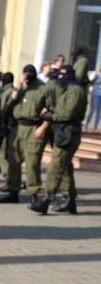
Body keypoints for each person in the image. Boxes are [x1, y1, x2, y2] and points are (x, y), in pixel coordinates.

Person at [33, 65, 87, 215]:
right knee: (65, 167)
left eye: (63, 75)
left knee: (55, 166)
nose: (60, 78)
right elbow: (60, 109)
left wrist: (51, 116)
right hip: (63, 131)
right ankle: (70, 200)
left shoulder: (75, 90)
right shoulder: (67, 89)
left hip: (69, 132)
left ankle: (46, 200)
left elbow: (67, 113)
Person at [0, 64, 49, 207]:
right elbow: (8, 106)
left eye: (29, 74)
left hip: (33, 127)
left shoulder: (42, 88)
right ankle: (13, 191)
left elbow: (50, 110)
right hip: (17, 127)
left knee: (32, 162)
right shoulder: (21, 88)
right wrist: (18, 88)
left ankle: (34, 194)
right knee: (14, 161)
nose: (27, 76)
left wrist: (43, 127)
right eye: (25, 73)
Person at [0, 71, 16, 192]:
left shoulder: (6, 92)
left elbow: (2, 109)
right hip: (11, 126)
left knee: (2, 153)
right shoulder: (12, 91)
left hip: (6, 126)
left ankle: (8, 179)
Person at [84, 64, 101, 131]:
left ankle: (95, 127)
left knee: (99, 112)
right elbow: (90, 81)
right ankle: (86, 125)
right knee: (92, 110)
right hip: (95, 94)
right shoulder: (96, 73)